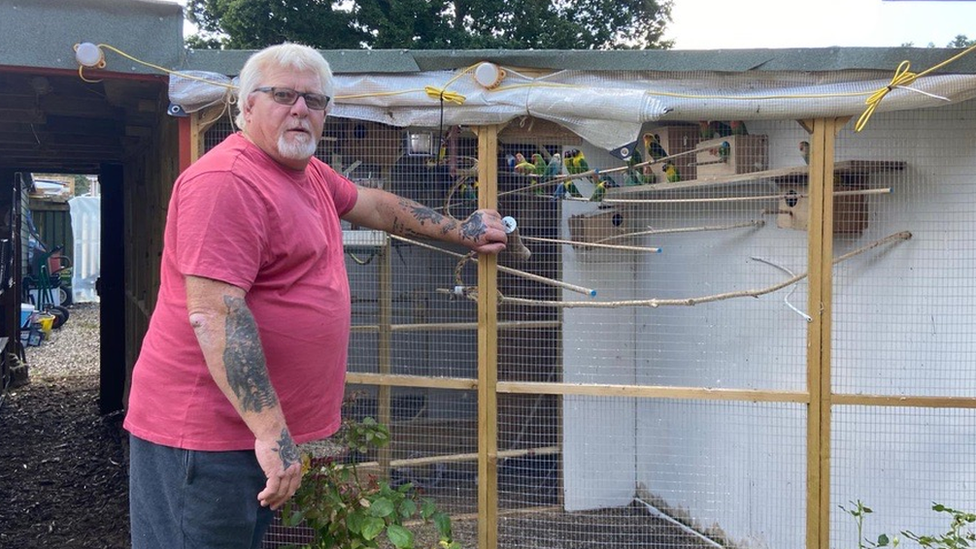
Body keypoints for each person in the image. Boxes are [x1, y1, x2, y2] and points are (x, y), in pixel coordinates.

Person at [123, 42, 507, 549]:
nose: (301, 108)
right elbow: (215, 315)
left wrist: (462, 230)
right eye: (283, 95)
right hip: (203, 442)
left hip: (243, 442)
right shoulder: (227, 181)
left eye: (316, 100)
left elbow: (374, 204)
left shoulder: (306, 174)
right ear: (247, 105)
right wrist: (271, 435)